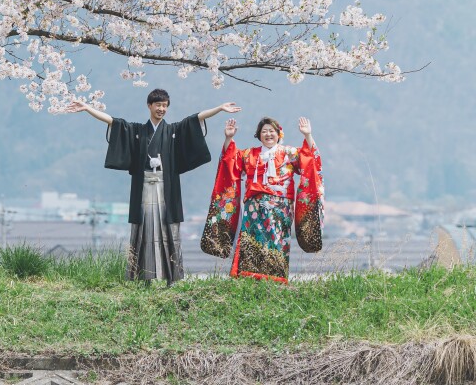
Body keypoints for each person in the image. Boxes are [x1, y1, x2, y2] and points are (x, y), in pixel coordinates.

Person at [66, 89, 240, 285]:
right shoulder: (138, 131)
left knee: (169, 230)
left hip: (167, 188)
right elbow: (112, 122)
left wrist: (219, 108)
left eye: (165, 105)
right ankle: (144, 277)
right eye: (158, 105)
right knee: (144, 230)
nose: (161, 109)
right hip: (144, 188)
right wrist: (88, 108)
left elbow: (196, 118)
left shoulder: (173, 130)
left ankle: (172, 279)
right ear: (149, 106)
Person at [200, 116, 324, 283]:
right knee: (252, 241)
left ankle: (276, 280)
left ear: (279, 134)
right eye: (264, 131)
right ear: (259, 135)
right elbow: (230, 162)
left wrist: (308, 135)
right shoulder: (249, 154)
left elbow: (309, 160)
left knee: (278, 241)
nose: (268, 134)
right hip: (254, 208)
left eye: (271, 131)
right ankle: (249, 280)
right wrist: (228, 137)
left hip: (281, 209)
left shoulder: (289, 153)